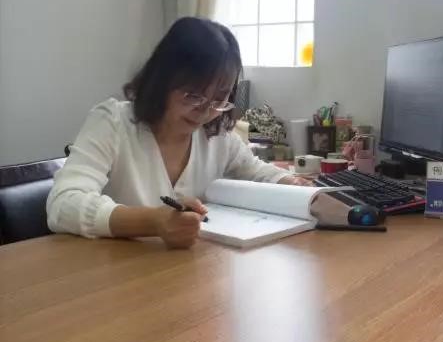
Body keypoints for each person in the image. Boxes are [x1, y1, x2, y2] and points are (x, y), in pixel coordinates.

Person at [47, 18, 309, 249]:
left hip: (184, 275)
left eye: (219, 99)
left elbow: (256, 171)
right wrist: (152, 222)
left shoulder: (216, 135)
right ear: (162, 80)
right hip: (111, 273)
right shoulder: (113, 122)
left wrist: (294, 186)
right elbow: (63, 204)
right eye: (193, 95)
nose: (204, 111)